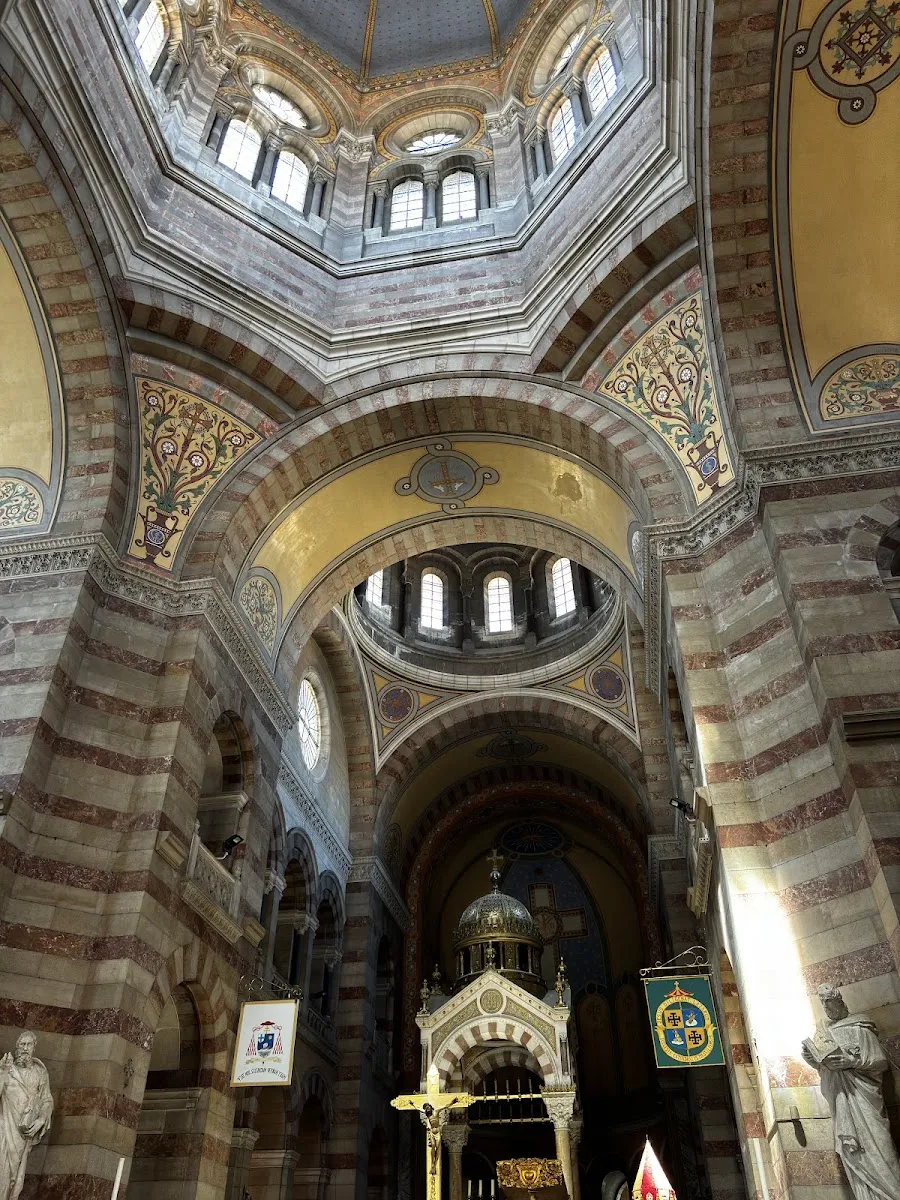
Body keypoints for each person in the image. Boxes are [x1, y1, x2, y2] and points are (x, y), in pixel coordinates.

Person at [801, 984, 900, 1200]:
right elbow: (825, 1064)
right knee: (852, 1155)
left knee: (881, 1151)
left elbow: (880, 1061)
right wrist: (815, 1061)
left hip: (864, 1099)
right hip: (841, 1099)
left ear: (840, 1000)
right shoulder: (824, 1031)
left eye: (829, 1001)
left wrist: (852, 1061)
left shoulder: (860, 1026)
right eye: (823, 1002)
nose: (826, 1006)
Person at [0, 1032, 53, 1200]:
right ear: (17, 1047)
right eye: (22, 1044)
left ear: (34, 1047)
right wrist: (2, 1072)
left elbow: (46, 1100)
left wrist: (42, 1119)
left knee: (14, 1175)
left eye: (29, 1045)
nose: (25, 1048)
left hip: (23, 1133)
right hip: (4, 1125)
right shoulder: (7, 1069)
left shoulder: (40, 1073)